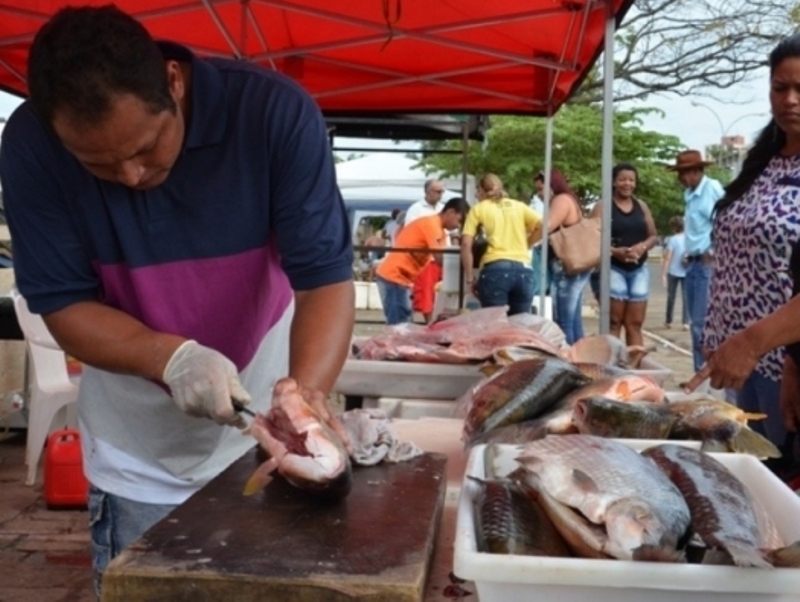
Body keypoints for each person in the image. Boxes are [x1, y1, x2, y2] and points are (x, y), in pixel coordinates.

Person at [0, 6, 354, 592]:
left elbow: (324, 277)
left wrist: (305, 395)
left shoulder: (272, 115)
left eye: (145, 145)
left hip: (264, 400)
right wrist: (172, 358)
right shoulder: (32, 145)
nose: (133, 175)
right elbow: (63, 305)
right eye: (99, 165)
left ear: (173, 81)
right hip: (139, 451)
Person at [685, 33, 800, 449]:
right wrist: (720, 332)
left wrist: (760, 346)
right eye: (780, 87)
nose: (790, 99)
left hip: (783, 358)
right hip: (743, 360)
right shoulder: (764, 160)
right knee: (756, 475)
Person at [665, 149, 724, 372]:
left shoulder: (712, 190)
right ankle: (700, 370)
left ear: (697, 171)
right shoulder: (690, 194)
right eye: (680, 174)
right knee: (694, 322)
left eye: (686, 173)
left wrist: (713, 249)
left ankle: (705, 373)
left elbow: (723, 220)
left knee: (701, 322)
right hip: (693, 261)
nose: (681, 178)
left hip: (707, 262)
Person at [589, 163, 658, 347]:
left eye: (631, 180)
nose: (627, 183)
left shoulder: (641, 206)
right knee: (614, 322)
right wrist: (614, 252)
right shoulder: (602, 206)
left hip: (639, 269)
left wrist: (642, 247)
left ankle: (634, 369)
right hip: (612, 268)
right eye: (622, 179)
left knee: (634, 324)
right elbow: (590, 237)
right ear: (613, 182)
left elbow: (653, 236)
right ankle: (611, 366)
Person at [375, 198, 468, 324]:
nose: (458, 226)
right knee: (399, 326)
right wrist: (464, 252)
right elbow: (440, 258)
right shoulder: (432, 225)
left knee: (402, 324)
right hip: (394, 277)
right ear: (450, 212)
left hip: (400, 279)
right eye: (459, 221)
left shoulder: (438, 229)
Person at [460, 174, 541, 316]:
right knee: (519, 326)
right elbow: (544, 226)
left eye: (477, 192)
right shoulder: (519, 206)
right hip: (524, 270)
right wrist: (528, 244)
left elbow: (466, 244)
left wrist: (470, 278)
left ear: (482, 191)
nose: (477, 196)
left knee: (495, 327)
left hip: (495, 270)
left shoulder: (478, 209)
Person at [538, 168, 591, 344]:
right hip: (576, 266)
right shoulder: (571, 199)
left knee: (563, 320)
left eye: (540, 189)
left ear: (551, 186)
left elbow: (547, 227)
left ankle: (569, 362)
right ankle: (580, 357)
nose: (539, 195)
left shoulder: (561, 200)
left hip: (565, 266)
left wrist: (527, 240)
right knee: (573, 320)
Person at [405, 180, 447, 323]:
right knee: (426, 293)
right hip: (426, 258)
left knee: (444, 292)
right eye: (438, 191)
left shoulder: (444, 209)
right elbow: (409, 234)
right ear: (427, 192)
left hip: (445, 257)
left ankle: (439, 322)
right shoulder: (416, 209)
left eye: (442, 191)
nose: (441, 195)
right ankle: (429, 323)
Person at [661, 216, 689, 331]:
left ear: (673, 228)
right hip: (687, 271)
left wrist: (663, 273)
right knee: (686, 298)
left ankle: (668, 321)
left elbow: (668, 257)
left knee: (671, 297)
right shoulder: (689, 239)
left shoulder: (673, 240)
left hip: (673, 271)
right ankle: (686, 322)